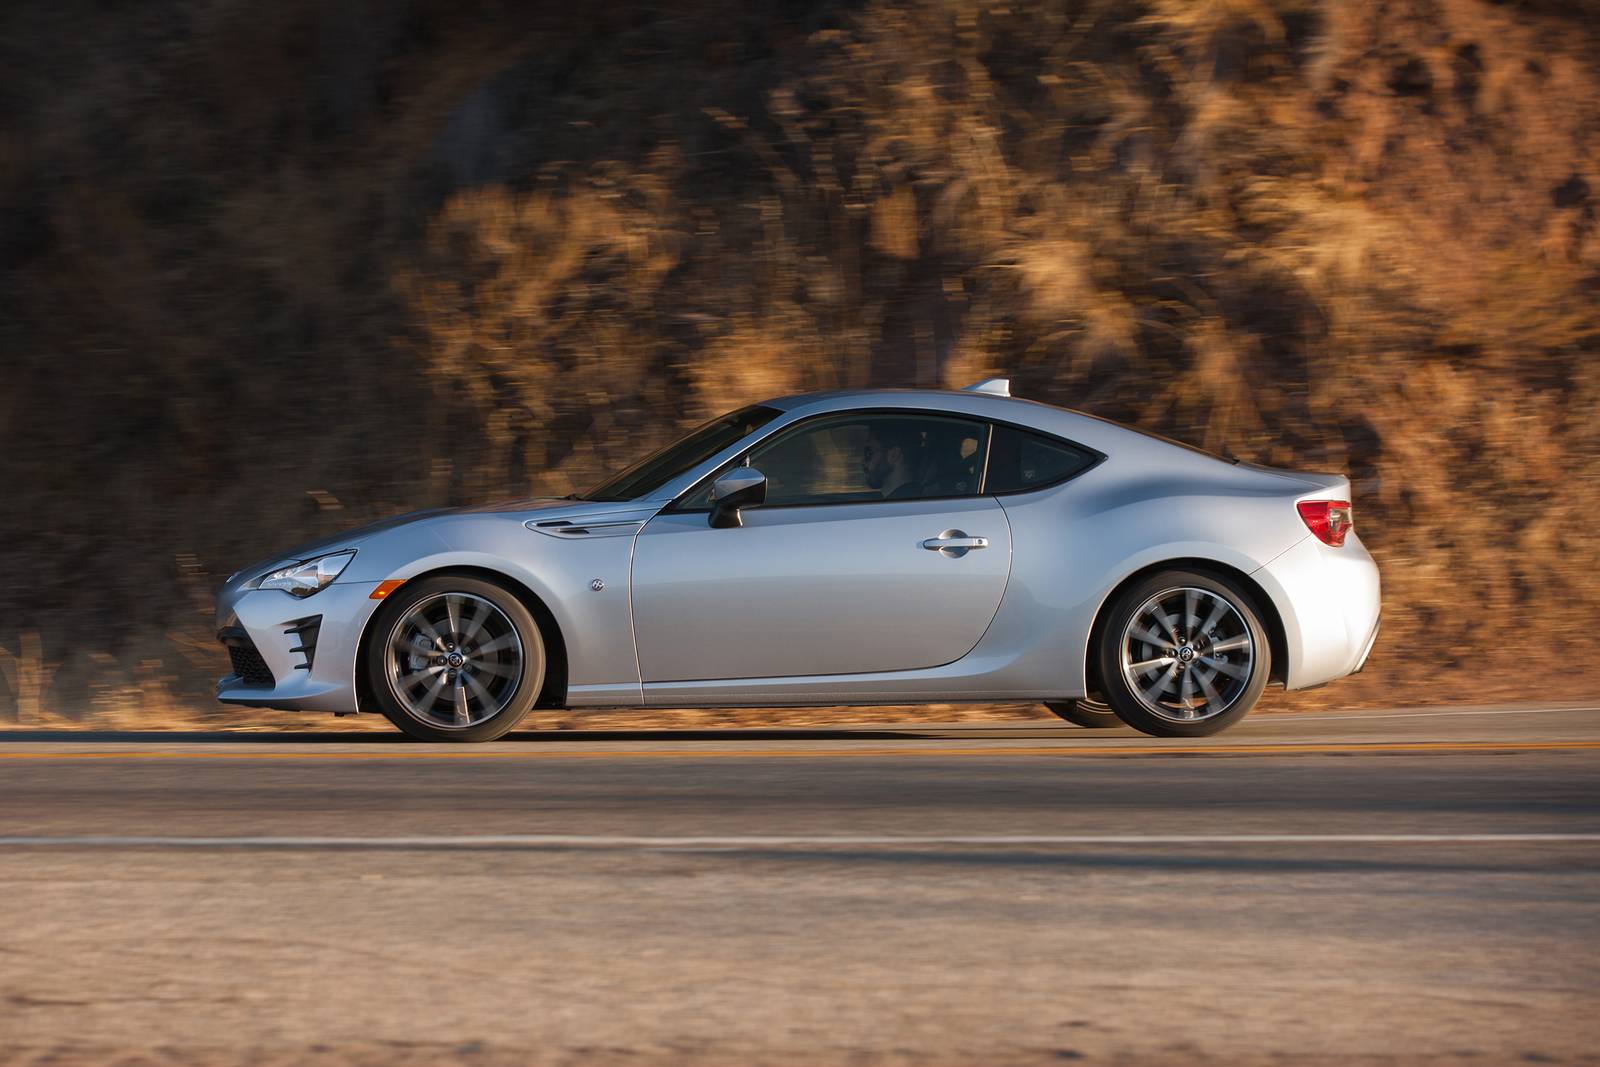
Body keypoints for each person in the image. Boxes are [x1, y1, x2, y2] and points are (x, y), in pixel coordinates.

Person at [862, 424, 925, 499]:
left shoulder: (899, 505)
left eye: (869, 453)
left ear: (894, 455)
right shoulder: (915, 497)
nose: (863, 463)